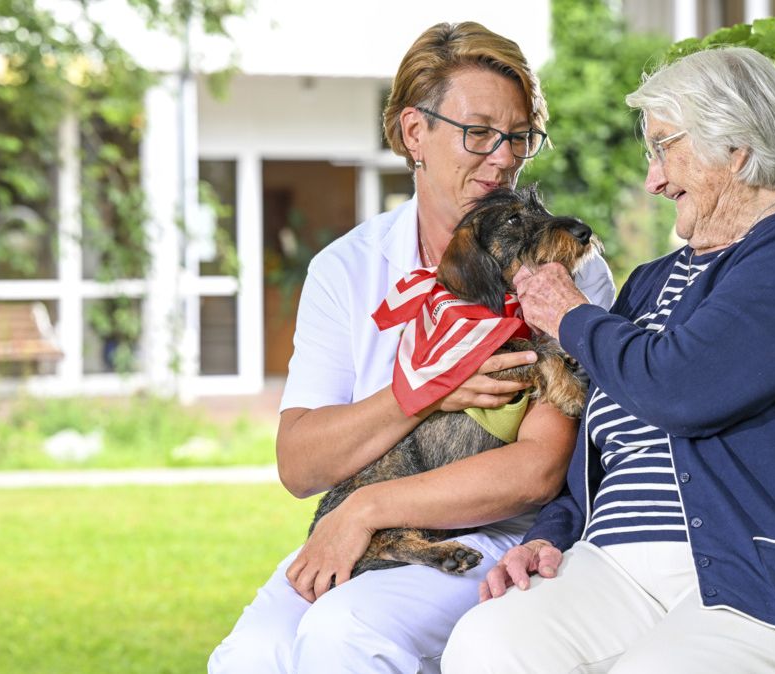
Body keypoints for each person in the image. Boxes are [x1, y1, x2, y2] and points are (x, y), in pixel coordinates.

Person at [441, 46, 775, 674]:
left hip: (771, 577)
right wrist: (550, 534)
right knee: (488, 644)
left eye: (664, 148)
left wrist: (570, 315)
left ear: (738, 150)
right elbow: (602, 444)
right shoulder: (649, 282)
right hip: (616, 568)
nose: (653, 180)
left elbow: (683, 387)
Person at [208, 21, 616, 674]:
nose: (504, 157)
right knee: (251, 657)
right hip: (371, 532)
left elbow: (538, 471)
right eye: (479, 132)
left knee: (344, 635)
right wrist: (423, 392)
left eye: (519, 137)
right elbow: (300, 464)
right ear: (412, 132)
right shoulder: (349, 268)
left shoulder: (561, 270)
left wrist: (368, 508)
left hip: (498, 538)